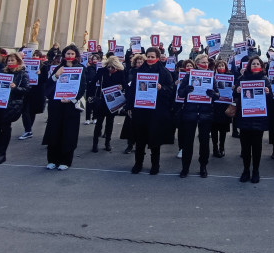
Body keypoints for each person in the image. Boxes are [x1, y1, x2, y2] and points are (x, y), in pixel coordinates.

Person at [125, 47, 175, 175]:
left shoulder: (164, 72)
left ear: (158, 57)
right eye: (149, 56)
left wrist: (161, 88)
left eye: (153, 57)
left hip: (156, 111)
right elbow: (130, 90)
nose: (150, 59)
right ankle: (138, 163)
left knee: (155, 139)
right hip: (141, 109)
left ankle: (155, 164)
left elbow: (170, 90)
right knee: (140, 139)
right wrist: (129, 107)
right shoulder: (138, 72)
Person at [42, 45, 87, 170]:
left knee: (69, 132)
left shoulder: (80, 68)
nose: (70, 56)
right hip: (57, 104)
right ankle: (52, 159)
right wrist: (56, 75)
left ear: (76, 56)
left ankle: (65, 160)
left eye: (72, 54)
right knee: (54, 131)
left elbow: (82, 87)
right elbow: (49, 85)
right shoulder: (58, 67)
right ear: (64, 55)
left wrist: (72, 99)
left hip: (71, 105)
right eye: (68, 54)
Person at [233, 56, 272, 183]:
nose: (255, 65)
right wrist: (237, 91)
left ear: (261, 66)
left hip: (258, 117)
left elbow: (270, 99)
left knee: (256, 147)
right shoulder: (241, 79)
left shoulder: (265, 80)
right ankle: (246, 170)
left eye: (257, 63)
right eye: (253, 64)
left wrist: (267, 92)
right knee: (245, 147)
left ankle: (255, 170)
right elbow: (234, 96)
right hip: (245, 117)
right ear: (249, 66)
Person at [177, 54, 217, 178]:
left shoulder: (212, 77)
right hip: (190, 112)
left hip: (205, 113)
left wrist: (213, 94)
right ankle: (185, 167)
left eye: (207, 63)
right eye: (203, 62)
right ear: (197, 63)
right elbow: (180, 93)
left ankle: (203, 166)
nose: (205, 65)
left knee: (204, 142)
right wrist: (186, 90)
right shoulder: (189, 76)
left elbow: (218, 95)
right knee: (187, 142)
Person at [0, 52, 29, 166]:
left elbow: (26, 89)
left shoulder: (22, 74)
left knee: (5, 128)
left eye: (12, 60)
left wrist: (15, 88)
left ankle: (2, 154)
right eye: (8, 60)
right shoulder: (1, 72)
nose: (9, 62)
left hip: (11, 105)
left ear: (18, 62)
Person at [92, 55, 126, 153]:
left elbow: (124, 84)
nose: (111, 69)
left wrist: (121, 87)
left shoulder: (120, 73)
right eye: (109, 67)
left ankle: (107, 143)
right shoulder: (102, 71)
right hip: (102, 100)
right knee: (99, 122)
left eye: (113, 67)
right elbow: (93, 81)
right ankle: (95, 143)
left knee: (110, 123)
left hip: (113, 101)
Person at [211, 59, 233, 158]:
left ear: (225, 67)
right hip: (215, 106)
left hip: (225, 105)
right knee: (214, 129)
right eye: (219, 66)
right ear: (216, 68)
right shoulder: (212, 77)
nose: (221, 68)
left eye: (222, 66)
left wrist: (233, 87)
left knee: (223, 129)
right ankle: (215, 147)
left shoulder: (230, 77)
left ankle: (222, 147)